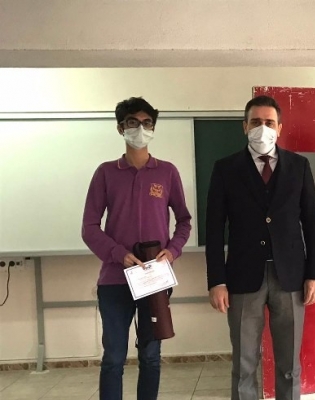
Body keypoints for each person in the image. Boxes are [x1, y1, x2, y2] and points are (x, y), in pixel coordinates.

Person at [205, 95, 315, 400]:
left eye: (269, 122)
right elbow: (214, 229)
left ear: (280, 127)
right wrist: (217, 280)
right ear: (245, 126)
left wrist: (314, 274)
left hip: (291, 277)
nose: (263, 128)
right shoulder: (225, 168)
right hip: (243, 277)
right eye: (256, 122)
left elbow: (312, 222)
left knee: (289, 365)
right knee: (244, 363)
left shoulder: (299, 166)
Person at [82, 97, 192, 400]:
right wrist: (119, 254)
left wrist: (172, 250)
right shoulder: (106, 172)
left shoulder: (167, 172)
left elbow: (184, 221)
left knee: (151, 356)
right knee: (113, 358)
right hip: (115, 280)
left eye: (147, 123)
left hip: (155, 280)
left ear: (153, 128)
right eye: (133, 122)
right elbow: (89, 227)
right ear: (121, 128)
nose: (140, 129)